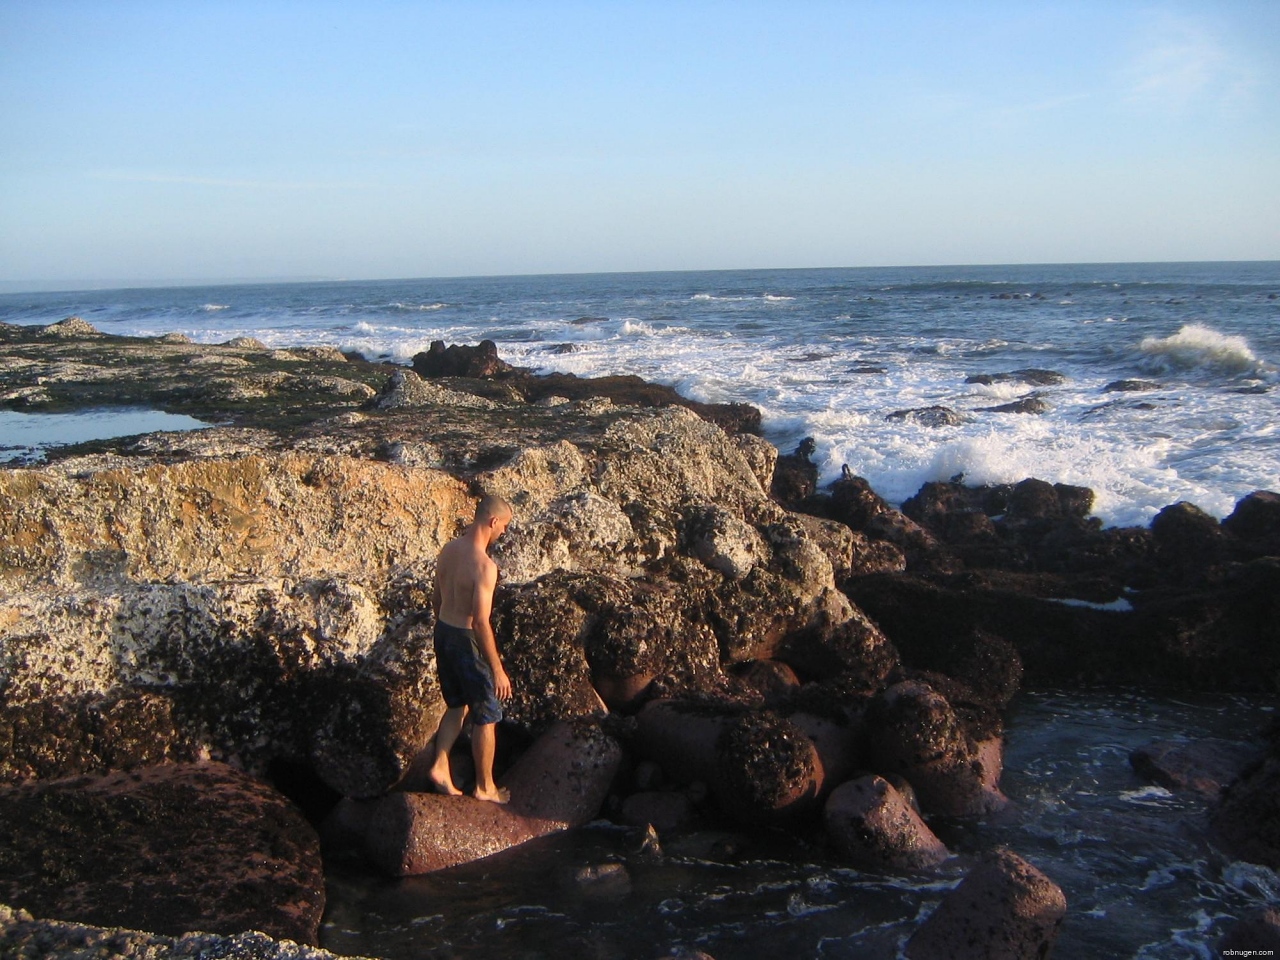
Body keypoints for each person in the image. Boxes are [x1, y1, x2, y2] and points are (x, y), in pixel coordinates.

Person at [427, 494, 514, 803]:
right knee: (486, 713)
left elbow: (437, 600)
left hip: (443, 632)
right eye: (503, 526)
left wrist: (445, 628)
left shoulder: (448, 550)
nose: (503, 533)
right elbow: (480, 622)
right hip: (465, 638)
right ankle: (485, 787)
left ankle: (439, 765)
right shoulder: (484, 567)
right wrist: (498, 669)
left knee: (456, 704)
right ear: (492, 522)